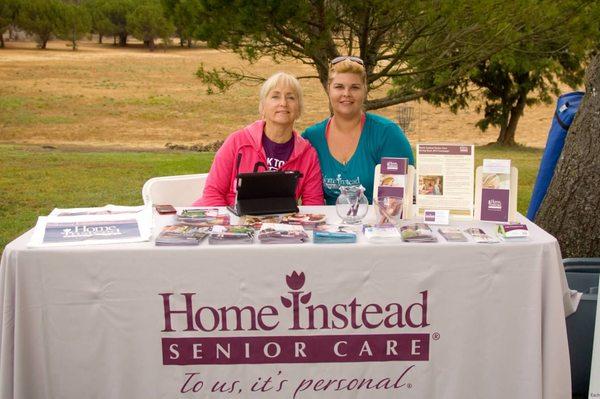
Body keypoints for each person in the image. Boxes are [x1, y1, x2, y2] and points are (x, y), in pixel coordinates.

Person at [194, 72, 324, 206]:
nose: (283, 103)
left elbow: (314, 206)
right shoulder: (237, 142)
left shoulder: (308, 155)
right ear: (262, 107)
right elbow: (212, 193)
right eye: (275, 96)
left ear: (299, 109)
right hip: (226, 219)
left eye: (290, 97)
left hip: (275, 224)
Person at [302, 56, 414, 205]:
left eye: (354, 87)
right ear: (329, 89)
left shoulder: (387, 134)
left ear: (364, 90)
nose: (346, 93)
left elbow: (402, 199)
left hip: (378, 224)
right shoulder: (312, 137)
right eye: (339, 87)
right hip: (328, 225)